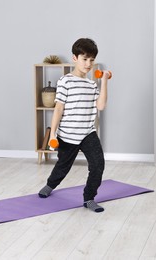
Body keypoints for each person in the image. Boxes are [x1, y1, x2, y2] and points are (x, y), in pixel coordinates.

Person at [38, 38, 110, 213]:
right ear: (75, 58)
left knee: (98, 164)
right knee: (63, 166)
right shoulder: (65, 81)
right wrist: (53, 133)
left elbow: (100, 106)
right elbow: (58, 109)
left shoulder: (92, 84)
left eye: (91, 60)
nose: (88, 64)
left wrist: (105, 81)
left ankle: (89, 198)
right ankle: (50, 185)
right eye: (84, 59)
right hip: (68, 134)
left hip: (87, 133)